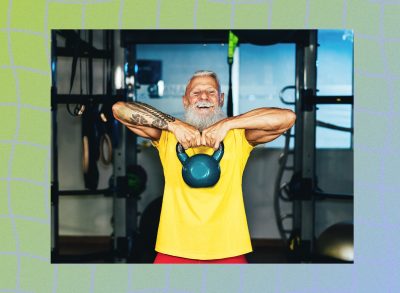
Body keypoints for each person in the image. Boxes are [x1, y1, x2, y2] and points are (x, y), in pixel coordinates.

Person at [112, 70, 296, 264]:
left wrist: (228, 124)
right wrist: (173, 124)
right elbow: (119, 109)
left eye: (211, 92)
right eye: (196, 93)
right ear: (185, 101)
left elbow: (287, 117)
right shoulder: (167, 135)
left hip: (228, 249)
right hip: (174, 248)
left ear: (221, 98)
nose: (204, 97)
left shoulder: (239, 136)